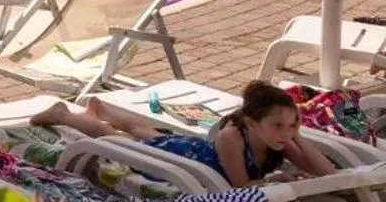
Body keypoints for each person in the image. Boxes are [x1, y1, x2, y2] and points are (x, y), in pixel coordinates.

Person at [28, 84, 333, 186]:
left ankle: (103, 110)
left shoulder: (280, 141)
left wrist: (298, 136)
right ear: (252, 123)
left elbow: (326, 172)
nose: (285, 132)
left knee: (144, 132)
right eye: (278, 125)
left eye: (291, 124)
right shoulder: (232, 137)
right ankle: (64, 115)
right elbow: (240, 185)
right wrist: (275, 179)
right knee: (123, 141)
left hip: (192, 156)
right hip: (181, 158)